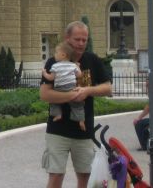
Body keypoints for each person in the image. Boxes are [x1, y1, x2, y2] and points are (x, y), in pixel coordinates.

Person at [40, 21, 112, 188]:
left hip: (84, 131)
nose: (81, 43)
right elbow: (44, 94)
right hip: (58, 130)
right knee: (56, 175)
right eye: (77, 39)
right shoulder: (54, 61)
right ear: (67, 39)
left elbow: (108, 88)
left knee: (85, 176)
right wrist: (72, 95)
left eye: (84, 40)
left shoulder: (92, 60)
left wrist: (87, 92)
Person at [41, 42, 85, 130]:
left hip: (59, 89)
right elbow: (79, 75)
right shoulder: (73, 65)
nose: (55, 55)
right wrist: (78, 66)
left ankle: (58, 114)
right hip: (71, 88)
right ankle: (80, 120)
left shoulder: (55, 66)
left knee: (54, 102)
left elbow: (51, 78)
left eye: (56, 53)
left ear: (63, 55)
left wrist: (44, 73)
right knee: (77, 105)